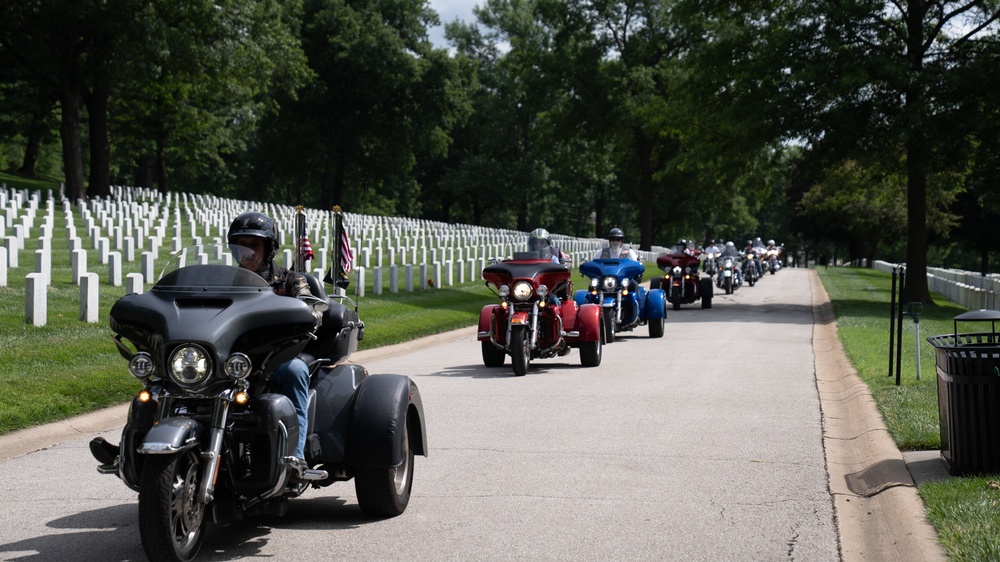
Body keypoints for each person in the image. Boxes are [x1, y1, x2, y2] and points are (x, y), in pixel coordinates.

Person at [228, 211, 317, 475]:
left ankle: (295, 457)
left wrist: (301, 311)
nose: (247, 252)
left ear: (269, 248)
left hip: (278, 357)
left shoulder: (291, 280)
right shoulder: (224, 282)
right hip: (235, 359)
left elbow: (312, 311)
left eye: (253, 245)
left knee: (295, 371)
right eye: (240, 245)